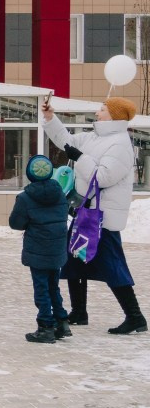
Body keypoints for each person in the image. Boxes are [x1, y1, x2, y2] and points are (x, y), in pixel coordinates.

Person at [43, 96, 146, 334]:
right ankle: (79, 311)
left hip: (103, 219)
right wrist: (50, 118)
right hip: (85, 214)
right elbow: (66, 140)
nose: (98, 112)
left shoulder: (120, 144)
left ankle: (135, 316)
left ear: (114, 115)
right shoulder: (94, 136)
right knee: (74, 260)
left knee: (113, 266)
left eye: (102, 109)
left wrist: (80, 159)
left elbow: (103, 177)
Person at [8, 156, 71, 343]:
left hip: (37, 249)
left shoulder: (25, 198)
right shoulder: (60, 193)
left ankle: (45, 326)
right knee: (53, 285)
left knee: (41, 288)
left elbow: (16, 223)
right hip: (57, 247)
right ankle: (62, 321)